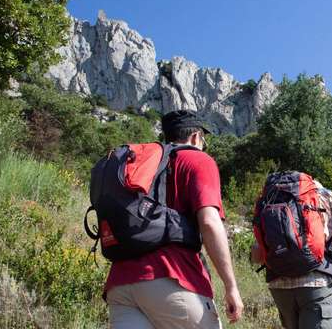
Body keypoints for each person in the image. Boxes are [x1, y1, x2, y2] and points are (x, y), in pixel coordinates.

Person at [104, 110, 243, 329]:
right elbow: (209, 222)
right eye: (203, 140)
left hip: (120, 285)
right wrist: (231, 286)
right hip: (172, 278)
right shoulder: (198, 159)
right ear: (196, 136)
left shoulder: (144, 165)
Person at [251, 176, 332, 329]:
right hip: (316, 282)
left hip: (278, 284)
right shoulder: (326, 195)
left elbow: (257, 257)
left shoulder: (269, 199)